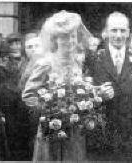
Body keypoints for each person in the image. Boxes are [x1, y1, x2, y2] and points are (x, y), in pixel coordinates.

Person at [22, 10, 98, 161]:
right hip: (52, 128)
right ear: (55, 39)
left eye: (73, 36)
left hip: (74, 130)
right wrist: (51, 109)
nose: (70, 41)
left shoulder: (77, 62)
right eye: (64, 37)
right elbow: (28, 95)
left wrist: (94, 92)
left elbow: (80, 89)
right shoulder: (46, 63)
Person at [91, 11, 132, 160]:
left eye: (122, 30)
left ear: (128, 32)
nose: (118, 35)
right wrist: (97, 94)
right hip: (101, 133)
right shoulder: (94, 58)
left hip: (129, 134)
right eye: (114, 30)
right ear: (106, 32)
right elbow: (84, 92)